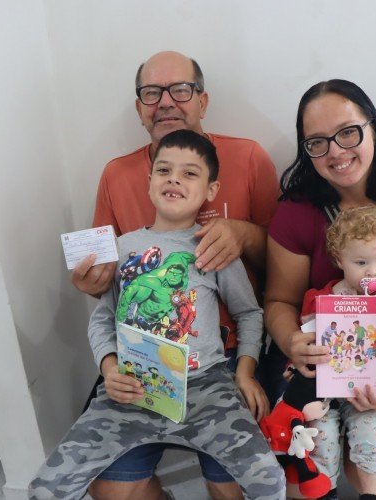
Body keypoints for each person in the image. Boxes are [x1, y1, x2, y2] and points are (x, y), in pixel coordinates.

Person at [29, 130, 284, 500]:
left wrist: (244, 372)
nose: (174, 178)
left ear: (211, 190)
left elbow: (248, 312)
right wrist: (110, 369)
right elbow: (103, 318)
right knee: (45, 488)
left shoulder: (211, 246)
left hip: (206, 387)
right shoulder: (122, 247)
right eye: (163, 170)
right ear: (149, 183)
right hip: (132, 387)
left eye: (190, 173)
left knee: (268, 482)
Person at [71, 50, 279, 498]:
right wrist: (91, 284)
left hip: (222, 357)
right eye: (152, 92)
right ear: (139, 107)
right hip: (140, 359)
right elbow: (108, 290)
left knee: (236, 484)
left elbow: (283, 259)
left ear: (202, 101)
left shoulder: (249, 157)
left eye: (180, 90)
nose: (165, 102)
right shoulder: (116, 174)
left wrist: (240, 234)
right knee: (106, 488)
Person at [264, 79, 376, 498]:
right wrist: (292, 342)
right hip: (312, 359)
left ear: (373, 129)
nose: (336, 151)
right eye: (317, 142)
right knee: (306, 473)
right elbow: (279, 300)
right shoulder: (296, 209)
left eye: (348, 132)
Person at [299, 205, 376, 499]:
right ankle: (326, 492)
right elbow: (305, 342)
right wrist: (306, 340)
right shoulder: (320, 298)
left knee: (370, 440)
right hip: (325, 389)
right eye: (361, 262)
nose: (373, 271)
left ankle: (373, 495)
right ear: (339, 259)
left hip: (366, 390)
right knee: (321, 438)